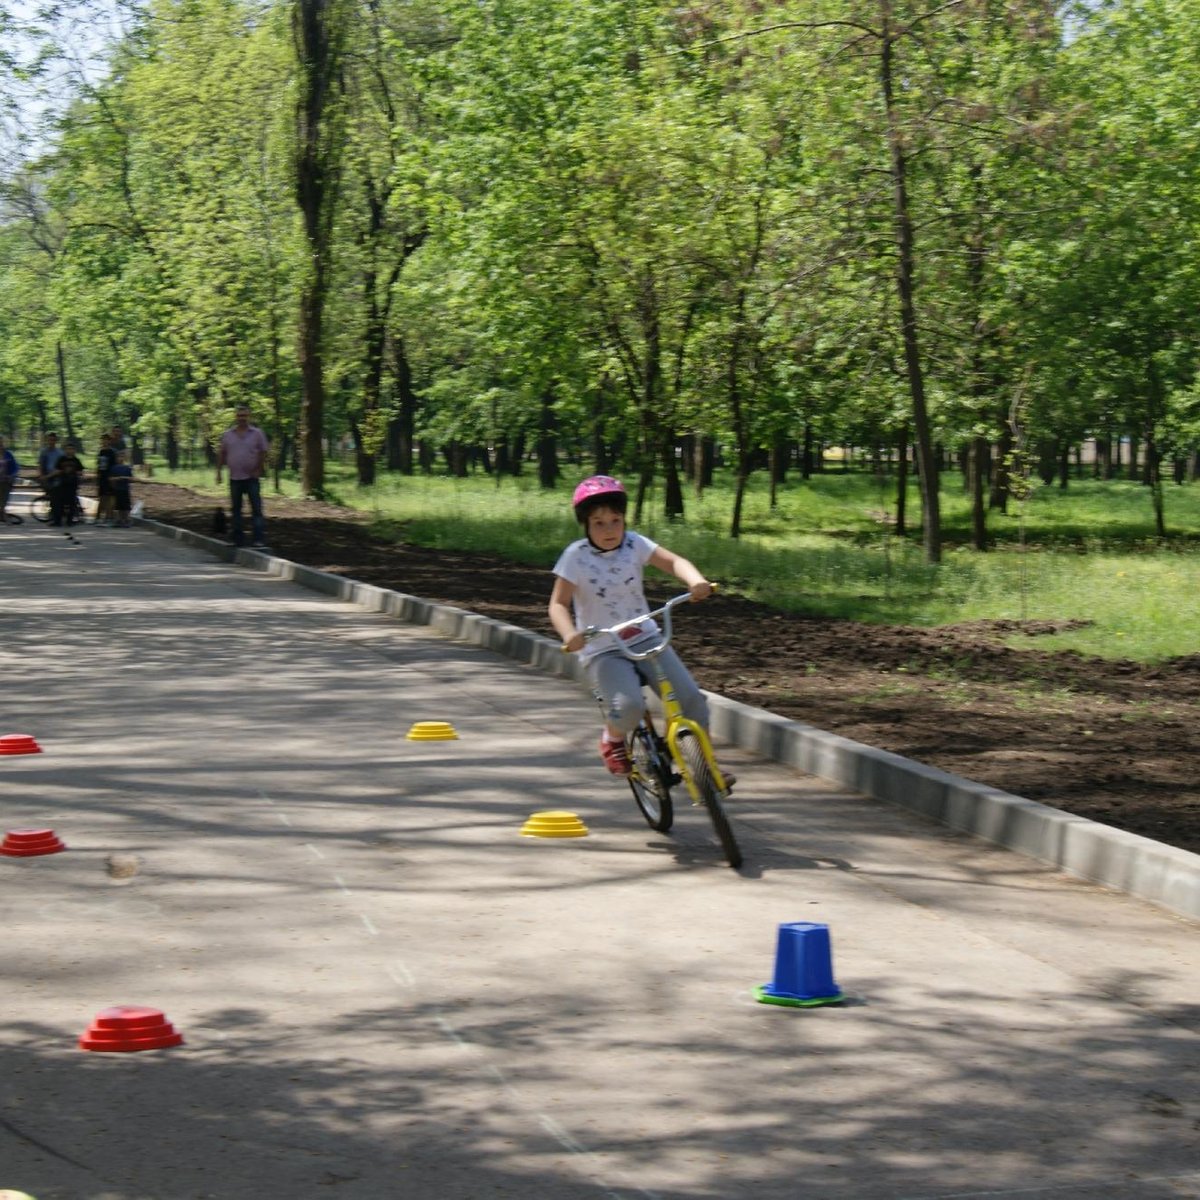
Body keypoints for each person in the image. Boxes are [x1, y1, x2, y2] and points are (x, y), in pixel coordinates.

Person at [548, 474, 715, 777]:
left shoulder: (635, 544)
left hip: (645, 637)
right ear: (585, 524)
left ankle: (706, 766)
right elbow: (558, 604)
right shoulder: (576, 556)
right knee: (628, 707)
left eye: (615, 520)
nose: (609, 529)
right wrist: (570, 634)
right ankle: (612, 740)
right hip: (603, 648)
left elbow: (674, 562)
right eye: (599, 523)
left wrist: (696, 581)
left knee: (691, 698)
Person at [215, 405, 269, 548]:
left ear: (249, 417)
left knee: (256, 509)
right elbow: (222, 453)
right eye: (239, 416)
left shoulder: (257, 433)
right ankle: (237, 539)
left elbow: (263, 452)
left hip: (251, 478)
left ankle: (258, 539)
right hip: (235, 478)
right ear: (235, 417)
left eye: (244, 416)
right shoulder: (228, 435)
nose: (242, 418)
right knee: (236, 509)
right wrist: (219, 472)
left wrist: (259, 468)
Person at [37, 432, 66, 525]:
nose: (51, 442)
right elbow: (41, 465)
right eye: (50, 440)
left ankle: (56, 517)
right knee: (51, 497)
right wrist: (41, 476)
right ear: (47, 440)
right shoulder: (44, 452)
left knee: (55, 498)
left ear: (56, 441)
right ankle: (53, 514)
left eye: (53, 440)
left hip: (57, 477)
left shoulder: (60, 453)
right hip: (47, 477)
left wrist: (49, 476)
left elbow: (61, 468)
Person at [59, 440, 85, 525]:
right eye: (68, 449)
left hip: (73, 483)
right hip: (63, 483)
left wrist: (74, 471)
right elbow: (57, 470)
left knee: (71, 502)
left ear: (74, 450)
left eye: (71, 449)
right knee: (61, 501)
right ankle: (59, 519)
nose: (70, 451)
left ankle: (70, 520)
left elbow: (81, 472)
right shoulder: (62, 459)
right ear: (65, 450)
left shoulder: (76, 460)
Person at [95, 433, 116, 525]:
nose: (104, 441)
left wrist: (112, 478)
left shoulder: (111, 452)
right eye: (103, 440)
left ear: (109, 441)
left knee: (108, 498)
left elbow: (113, 466)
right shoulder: (101, 452)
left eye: (106, 440)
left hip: (109, 477)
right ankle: (98, 517)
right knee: (101, 497)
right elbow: (99, 465)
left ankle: (109, 517)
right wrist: (97, 476)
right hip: (102, 477)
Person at [110, 452, 134, 526]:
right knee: (118, 505)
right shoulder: (114, 468)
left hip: (125, 488)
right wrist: (117, 479)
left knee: (126, 505)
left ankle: (127, 519)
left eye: (122, 457)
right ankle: (119, 519)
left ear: (124, 458)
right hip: (118, 489)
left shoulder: (127, 468)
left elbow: (132, 478)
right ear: (116, 458)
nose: (120, 459)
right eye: (119, 457)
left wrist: (126, 478)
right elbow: (110, 478)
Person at [0, 436, 18, 525]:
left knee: (4, 500)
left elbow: (15, 467)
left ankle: (4, 516)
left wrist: (12, 475)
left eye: (1, 442)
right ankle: (4, 517)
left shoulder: (8, 454)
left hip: (6, 481)